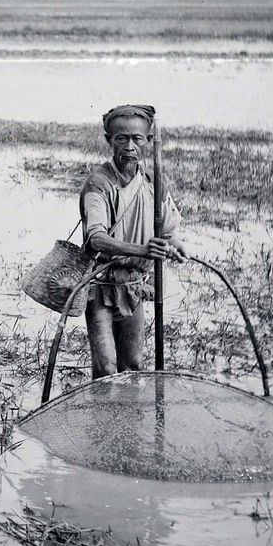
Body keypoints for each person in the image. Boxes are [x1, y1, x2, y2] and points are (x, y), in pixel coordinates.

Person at [80, 105, 184, 378]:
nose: (129, 146)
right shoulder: (99, 183)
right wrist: (142, 249)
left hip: (133, 284)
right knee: (105, 367)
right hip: (101, 283)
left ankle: (125, 419)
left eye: (137, 139)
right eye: (121, 139)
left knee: (134, 364)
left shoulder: (152, 182)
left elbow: (169, 227)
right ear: (108, 141)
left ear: (147, 142)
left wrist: (176, 245)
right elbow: (97, 238)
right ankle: (101, 417)